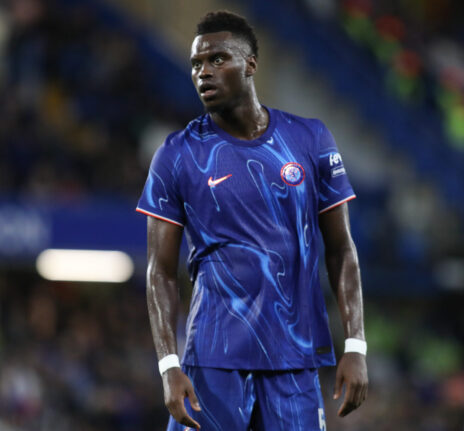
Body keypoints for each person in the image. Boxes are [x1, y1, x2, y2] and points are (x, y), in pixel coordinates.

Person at [137, 10, 367, 430]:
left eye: (217, 59)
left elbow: (341, 248)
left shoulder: (310, 139)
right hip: (211, 361)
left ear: (250, 65)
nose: (203, 72)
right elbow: (160, 271)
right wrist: (169, 364)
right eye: (196, 64)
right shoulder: (176, 155)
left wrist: (355, 343)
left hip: (294, 359)